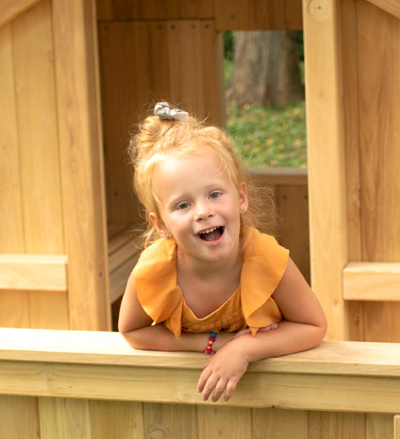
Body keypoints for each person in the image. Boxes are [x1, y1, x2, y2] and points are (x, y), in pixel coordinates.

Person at [119, 102, 327, 401]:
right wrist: (213, 343)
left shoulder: (266, 259)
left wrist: (243, 350)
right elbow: (131, 331)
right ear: (161, 224)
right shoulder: (153, 271)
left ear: (241, 198)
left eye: (215, 194)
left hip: (273, 400)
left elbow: (314, 326)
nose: (203, 211)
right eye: (183, 205)